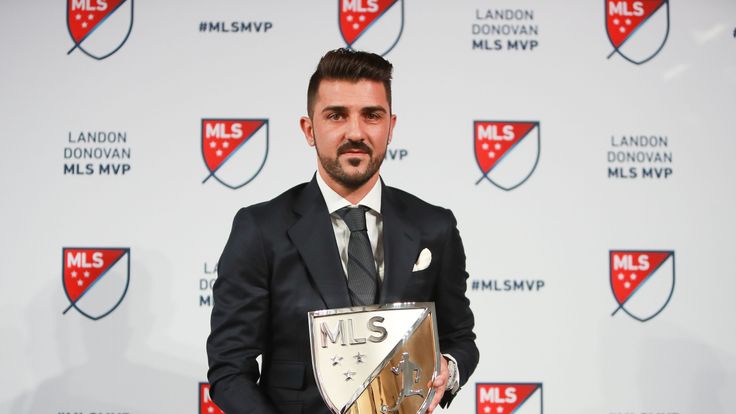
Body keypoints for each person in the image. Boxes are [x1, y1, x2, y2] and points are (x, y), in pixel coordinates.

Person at [207, 48, 479, 414]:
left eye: (371, 115)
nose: (355, 131)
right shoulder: (260, 229)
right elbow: (229, 370)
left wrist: (449, 367)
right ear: (309, 129)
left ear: (391, 126)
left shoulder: (434, 225)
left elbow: (460, 337)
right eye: (336, 115)